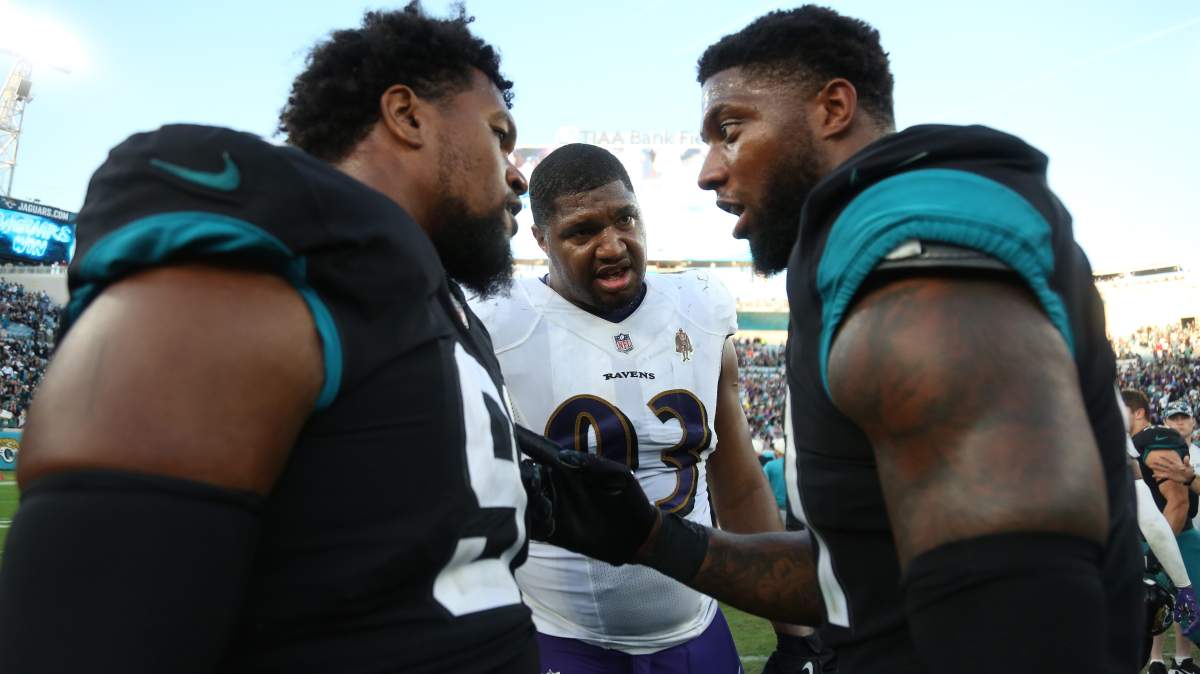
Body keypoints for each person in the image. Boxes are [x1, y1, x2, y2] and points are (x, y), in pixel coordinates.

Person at [519, 6, 1142, 673]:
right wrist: (654, 539)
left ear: (833, 108)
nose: (708, 171)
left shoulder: (912, 267)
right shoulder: (853, 257)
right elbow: (862, 567)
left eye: (730, 131)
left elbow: (1022, 613)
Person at [0, 5, 540, 673]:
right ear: (406, 115)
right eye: (499, 135)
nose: (517, 173)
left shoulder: (425, 297)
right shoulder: (250, 278)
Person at [472, 143, 816, 673]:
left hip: (696, 631)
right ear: (541, 239)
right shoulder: (497, 321)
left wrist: (796, 637)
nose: (613, 245)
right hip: (560, 636)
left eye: (625, 219)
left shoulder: (700, 307)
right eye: (582, 231)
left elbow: (737, 483)